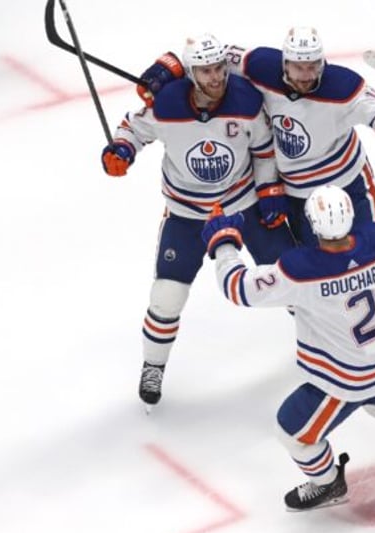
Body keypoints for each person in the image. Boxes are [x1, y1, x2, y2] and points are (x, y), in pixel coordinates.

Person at [200, 163, 375, 511]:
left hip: (343, 376)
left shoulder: (300, 269)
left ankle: (327, 482)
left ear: (313, 225)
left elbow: (238, 288)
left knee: (293, 431)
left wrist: (224, 243)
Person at [101, 33, 295, 410]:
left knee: (291, 275)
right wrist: (121, 149)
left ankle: (322, 339)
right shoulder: (166, 106)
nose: (216, 77)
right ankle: (153, 366)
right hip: (188, 215)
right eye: (206, 71)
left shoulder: (246, 100)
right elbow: (132, 128)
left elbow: (263, 147)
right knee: (167, 296)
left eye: (219, 68)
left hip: (244, 207)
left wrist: (270, 188)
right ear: (192, 73)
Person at [137, 26, 375, 246]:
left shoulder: (342, 85)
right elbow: (212, 56)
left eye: (313, 66)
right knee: (317, 269)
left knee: (371, 253)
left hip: (346, 183)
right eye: (297, 67)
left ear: (322, 62)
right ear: (284, 63)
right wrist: (171, 65)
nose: (306, 75)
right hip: (294, 192)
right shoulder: (260, 66)